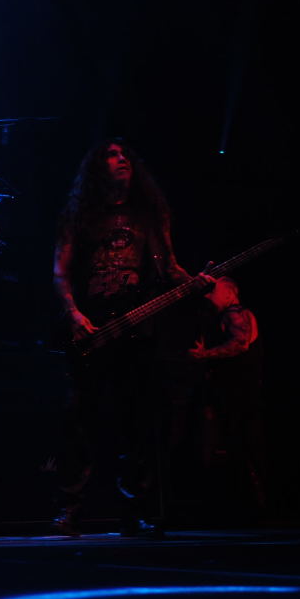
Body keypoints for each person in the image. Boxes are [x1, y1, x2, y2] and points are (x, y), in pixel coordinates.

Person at [52, 139, 199, 537]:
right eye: (112, 156)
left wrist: (196, 283)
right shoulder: (80, 215)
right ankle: (70, 509)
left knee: (138, 422)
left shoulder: (150, 214)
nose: (122, 161)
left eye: (125, 155)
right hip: (92, 330)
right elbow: (60, 271)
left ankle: (136, 511)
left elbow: (170, 266)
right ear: (97, 168)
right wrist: (74, 314)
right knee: (79, 421)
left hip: (138, 330)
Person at [188, 276, 266, 517]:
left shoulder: (235, 314)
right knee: (237, 445)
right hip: (236, 393)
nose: (209, 296)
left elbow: (240, 344)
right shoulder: (226, 315)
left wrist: (204, 355)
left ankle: (255, 507)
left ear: (230, 294)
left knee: (241, 444)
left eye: (214, 291)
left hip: (240, 393)